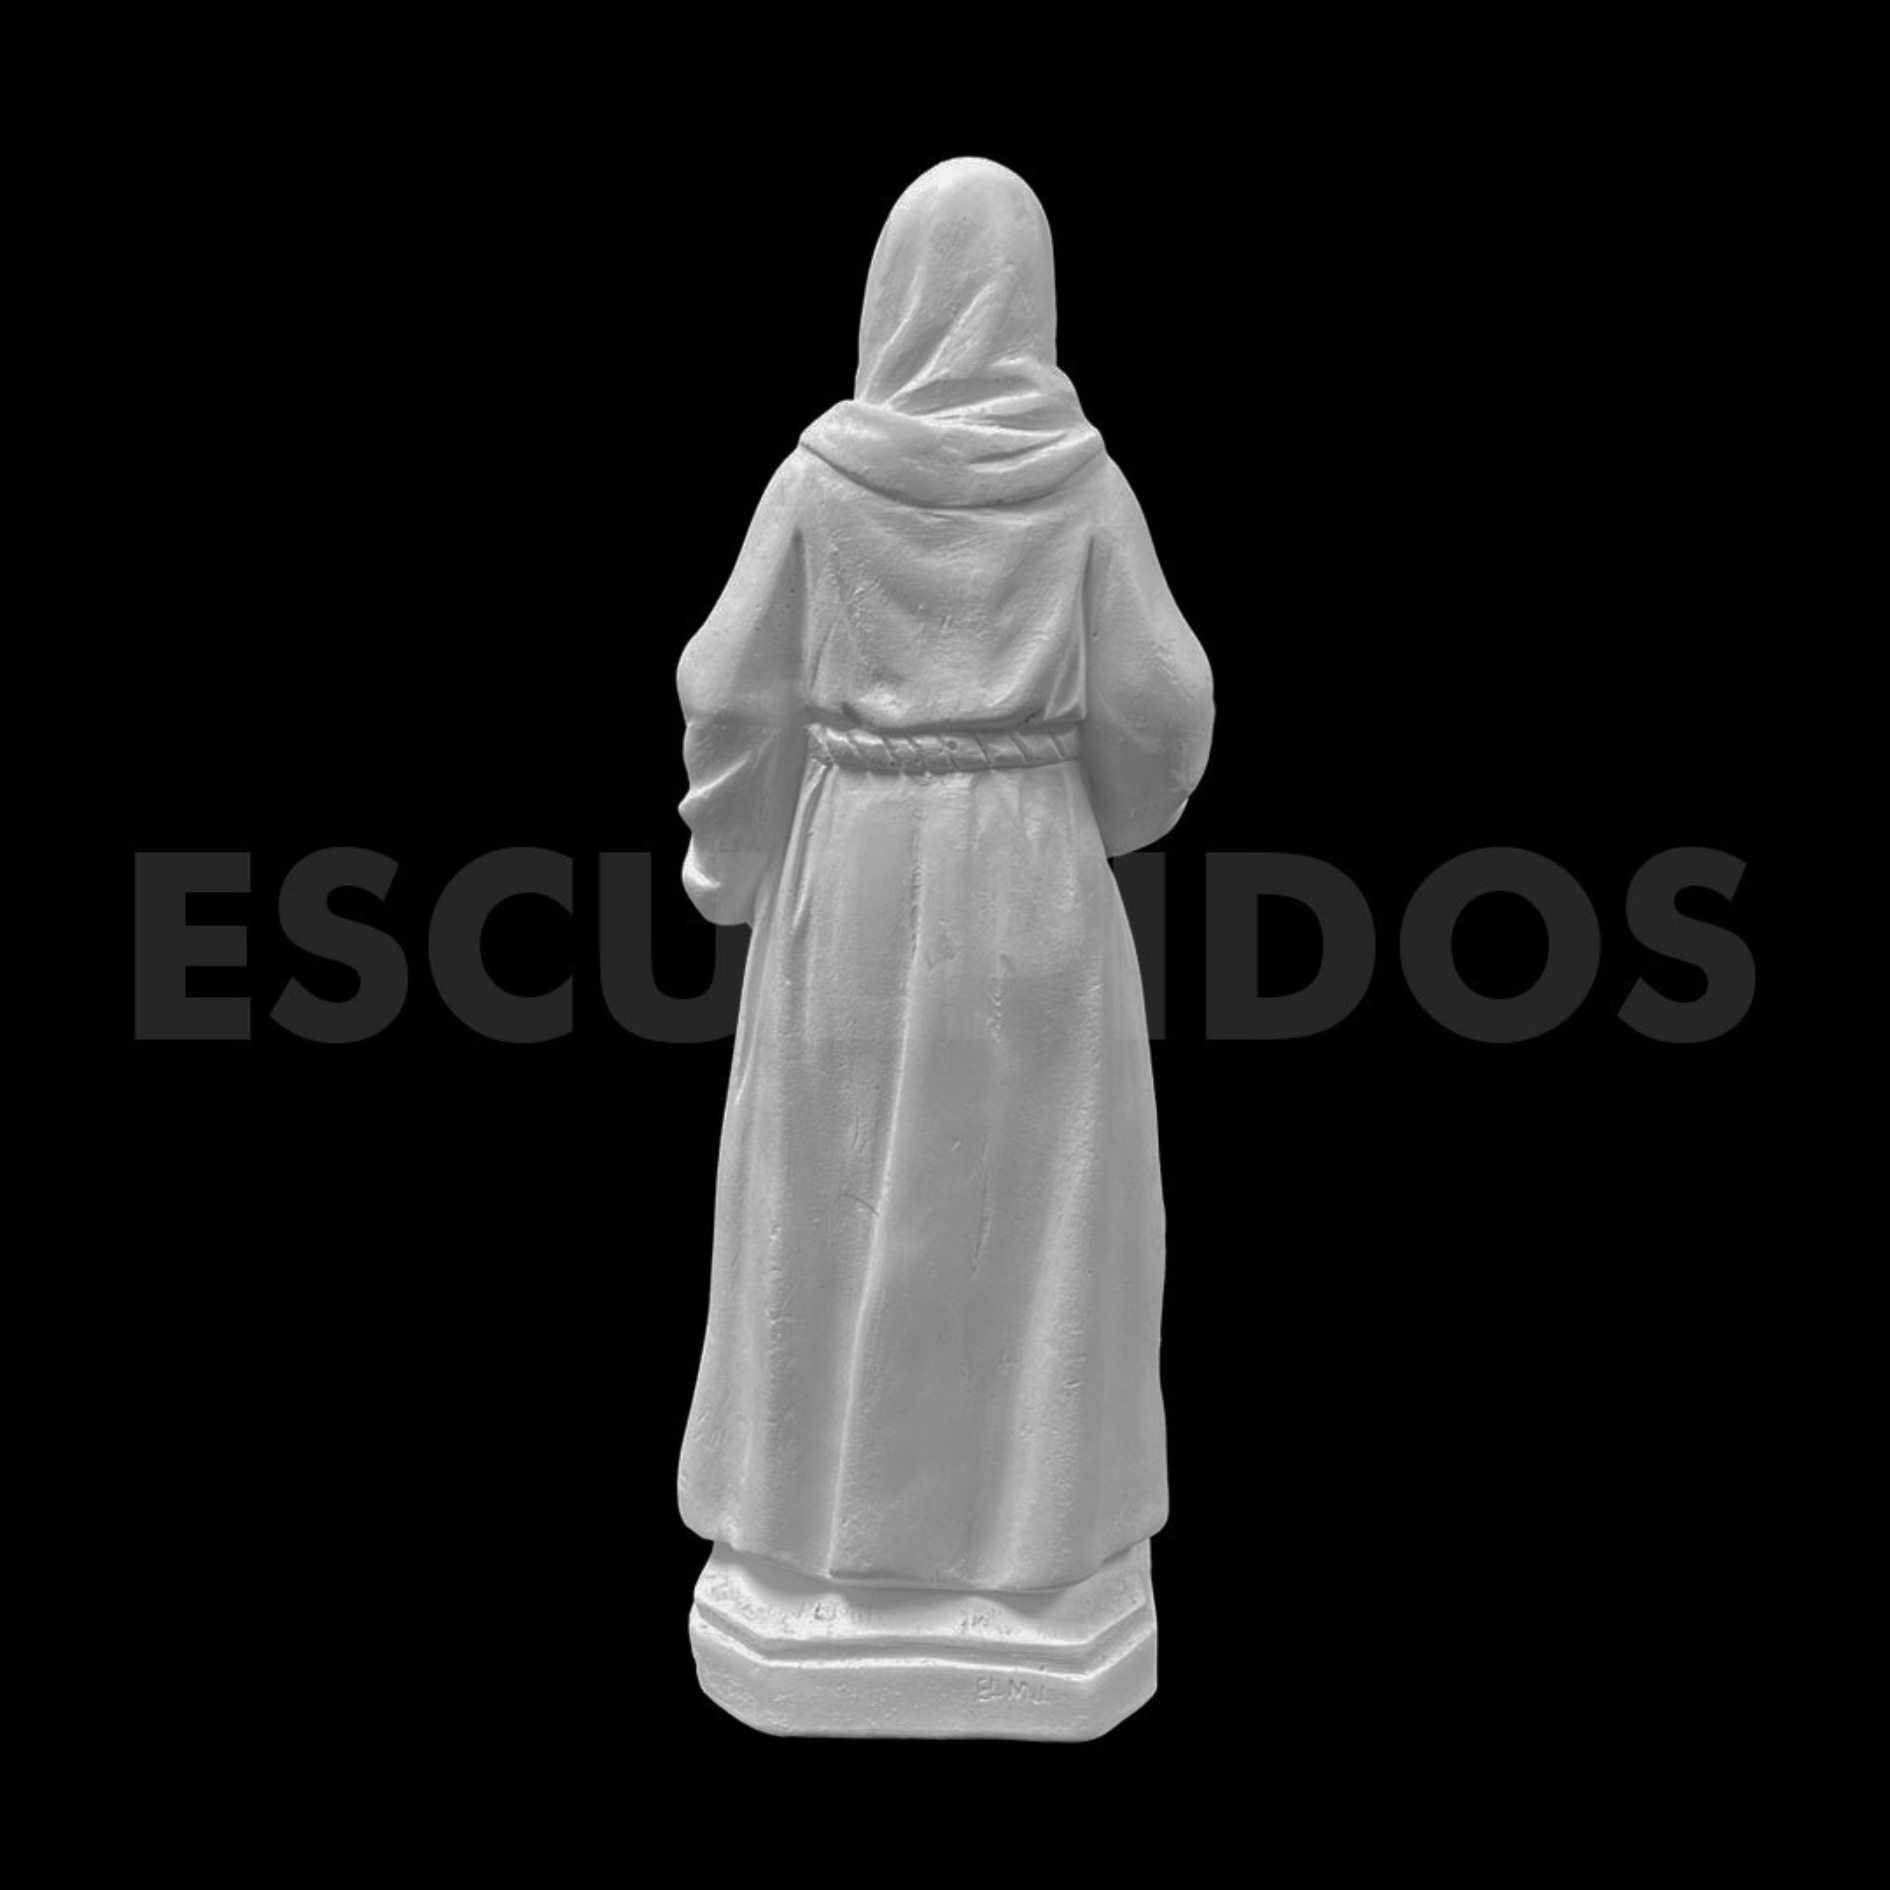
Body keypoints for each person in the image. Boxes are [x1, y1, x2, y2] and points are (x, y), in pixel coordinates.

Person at [675, 156, 1213, 1600]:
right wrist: (1097, 804)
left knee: (835, 1191)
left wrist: (730, 855)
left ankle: (819, 1538)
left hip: (854, 865)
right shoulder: (1080, 484)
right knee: (1030, 1213)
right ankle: (1026, 1548)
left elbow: (723, 685)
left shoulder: (822, 483)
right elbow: (1167, 701)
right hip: (1032, 878)